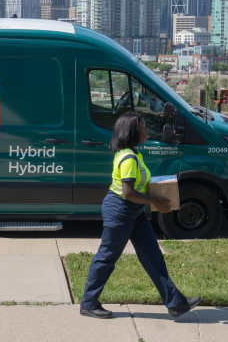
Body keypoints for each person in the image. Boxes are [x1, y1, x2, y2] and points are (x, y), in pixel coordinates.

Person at [80, 111, 201, 320]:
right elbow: (127, 192)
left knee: (152, 255)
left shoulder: (133, 153)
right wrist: (155, 200)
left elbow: (137, 188)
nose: (146, 131)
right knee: (107, 256)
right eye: (143, 128)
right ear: (132, 131)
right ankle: (88, 303)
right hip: (120, 210)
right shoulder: (128, 158)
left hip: (133, 210)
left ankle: (176, 304)